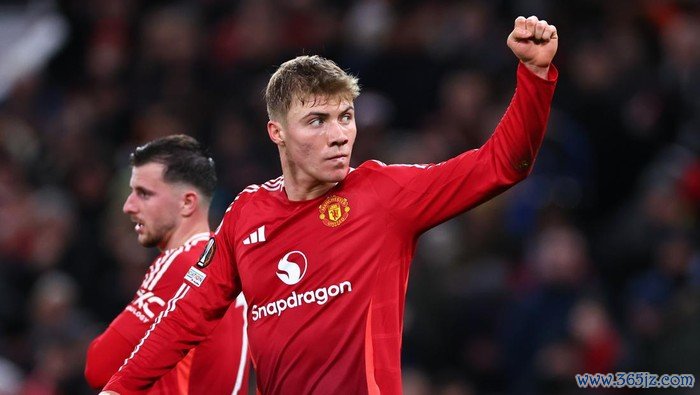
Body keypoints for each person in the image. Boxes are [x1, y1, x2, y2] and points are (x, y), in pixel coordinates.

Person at [102, 15, 558, 394]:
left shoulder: (383, 196)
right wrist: (118, 389)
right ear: (276, 133)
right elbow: (184, 318)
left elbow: (502, 165)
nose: (339, 135)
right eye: (316, 121)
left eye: (345, 117)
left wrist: (534, 78)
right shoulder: (247, 215)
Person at [85, 135, 251, 394]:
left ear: (187, 203)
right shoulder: (229, 270)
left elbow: (98, 366)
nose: (128, 206)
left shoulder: (182, 263)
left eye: (144, 194)